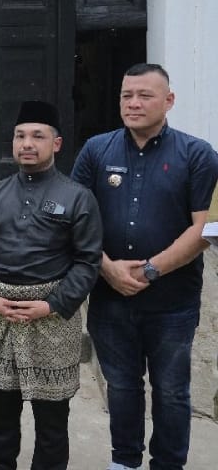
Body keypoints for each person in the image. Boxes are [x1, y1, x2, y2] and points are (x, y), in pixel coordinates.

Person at [71, 63, 218, 470]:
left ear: (168, 101)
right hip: (109, 297)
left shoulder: (198, 154)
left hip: (173, 301)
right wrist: (108, 269)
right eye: (126, 95)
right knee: (121, 387)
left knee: (171, 391)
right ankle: (125, 462)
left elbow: (205, 229)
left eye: (145, 95)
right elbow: (74, 221)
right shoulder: (96, 150)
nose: (133, 103)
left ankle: (168, 464)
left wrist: (150, 270)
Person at [0, 100, 102, 470]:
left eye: (38, 136)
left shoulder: (77, 197)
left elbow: (88, 262)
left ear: (55, 144)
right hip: (1, 315)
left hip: (52, 320)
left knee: (52, 418)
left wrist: (52, 304)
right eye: (20, 135)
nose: (27, 143)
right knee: (1, 409)